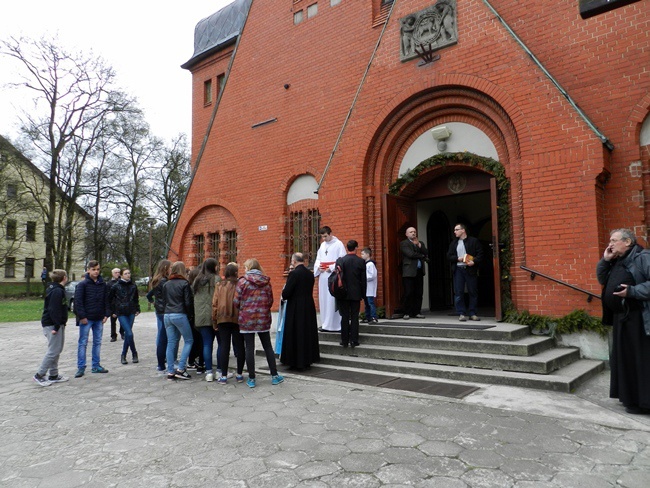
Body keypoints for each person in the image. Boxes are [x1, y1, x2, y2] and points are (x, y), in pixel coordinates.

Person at [597, 228, 650, 415]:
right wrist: (605, 260)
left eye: (614, 240)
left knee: (640, 360)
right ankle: (630, 399)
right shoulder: (617, 260)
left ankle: (644, 402)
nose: (610, 244)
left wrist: (632, 292)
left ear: (627, 242)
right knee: (625, 361)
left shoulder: (643, 257)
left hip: (639, 319)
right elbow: (601, 279)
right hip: (621, 318)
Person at [234, 258, 284, 388]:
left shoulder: (243, 282)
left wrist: (244, 309)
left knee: (249, 347)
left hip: (247, 318)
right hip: (263, 317)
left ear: (249, 268)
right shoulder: (266, 281)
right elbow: (270, 300)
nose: (244, 269)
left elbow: (236, 301)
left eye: (245, 267)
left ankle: (251, 378)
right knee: (267, 346)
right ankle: (274, 375)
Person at [280, 253, 320, 370]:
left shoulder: (294, 274)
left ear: (294, 261)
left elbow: (286, 292)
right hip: (308, 305)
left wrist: (285, 294)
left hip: (296, 307)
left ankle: (295, 361)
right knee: (307, 332)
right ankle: (308, 359)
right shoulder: (309, 274)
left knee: (295, 332)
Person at [74, 260, 110, 378]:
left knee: (97, 342)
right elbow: (78, 302)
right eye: (93, 269)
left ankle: (96, 365)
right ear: (88, 270)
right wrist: (82, 316)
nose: (96, 272)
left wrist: (106, 314)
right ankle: (81, 367)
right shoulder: (82, 285)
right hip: (87, 318)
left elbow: (106, 300)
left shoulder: (102, 284)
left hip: (99, 318)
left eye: (98, 269)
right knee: (83, 343)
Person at [33, 269, 69, 386]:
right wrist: (57, 325)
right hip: (52, 324)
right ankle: (39, 375)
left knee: (56, 349)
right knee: (53, 350)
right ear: (64, 278)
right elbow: (54, 310)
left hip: (56, 323)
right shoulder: (57, 291)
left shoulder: (55, 289)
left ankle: (53, 374)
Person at [212, 263, 245, 384]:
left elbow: (214, 304)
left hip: (222, 318)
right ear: (236, 273)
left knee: (224, 346)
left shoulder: (219, 285)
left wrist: (214, 321)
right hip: (238, 319)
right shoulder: (240, 285)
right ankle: (240, 374)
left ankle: (224, 376)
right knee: (240, 346)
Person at [192, 258, 223, 382]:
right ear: (214, 267)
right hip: (215, 316)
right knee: (221, 343)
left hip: (200, 317)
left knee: (206, 344)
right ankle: (220, 371)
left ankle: (209, 372)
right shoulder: (217, 280)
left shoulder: (196, 281)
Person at [163, 261, 195, 380]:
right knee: (189, 340)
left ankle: (170, 370)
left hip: (167, 315)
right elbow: (187, 302)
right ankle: (181, 368)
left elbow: (164, 300)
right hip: (180, 314)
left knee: (171, 342)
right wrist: (190, 315)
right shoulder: (184, 284)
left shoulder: (166, 284)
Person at [447, 223, 483, 321]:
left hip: (470, 269)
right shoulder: (454, 243)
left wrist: (474, 261)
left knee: (473, 291)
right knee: (458, 292)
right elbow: (449, 256)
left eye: (456, 229)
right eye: (454, 230)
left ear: (463, 230)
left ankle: (472, 313)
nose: (455, 232)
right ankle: (461, 313)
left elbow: (480, 254)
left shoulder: (473, 241)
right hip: (458, 269)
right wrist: (457, 258)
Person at [313, 226, 347, 332]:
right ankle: (325, 324)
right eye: (322, 237)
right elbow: (318, 259)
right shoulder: (322, 245)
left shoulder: (338, 244)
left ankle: (335, 325)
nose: (324, 239)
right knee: (324, 299)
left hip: (333, 276)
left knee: (332, 300)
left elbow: (342, 260)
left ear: (330, 234)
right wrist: (318, 267)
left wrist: (331, 268)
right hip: (323, 276)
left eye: (325, 236)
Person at [337, 240, 367, 348]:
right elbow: (363, 280)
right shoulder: (361, 262)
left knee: (344, 317)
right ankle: (354, 340)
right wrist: (363, 294)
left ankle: (344, 340)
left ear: (346, 248)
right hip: (356, 293)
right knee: (354, 317)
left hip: (343, 293)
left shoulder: (341, 260)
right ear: (356, 248)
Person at [108, 268, 140, 365]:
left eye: (129, 273)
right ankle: (133, 353)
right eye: (125, 273)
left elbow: (136, 298)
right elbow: (109, 299)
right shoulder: (115, 286)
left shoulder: (133, 286)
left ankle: (124, 356)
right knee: (129, 334)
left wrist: (137, 309)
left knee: (128, 334)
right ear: (121, 275)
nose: (128, 275)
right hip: (120, 312)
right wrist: (112, 311)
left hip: (131, 311)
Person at [147, 259, 172, 373]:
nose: (171, 269)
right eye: (170, 268)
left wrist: (154, 303)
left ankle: (161, 363)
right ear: (166, 268)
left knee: (162, 337)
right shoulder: (164, 281)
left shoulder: (157, 280)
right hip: (164, 311)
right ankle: (161, 364)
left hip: (159, 310)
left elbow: (151, 295)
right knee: (164, 338)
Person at [400, 227, 429, 320]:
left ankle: (417, 312)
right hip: (409, 271)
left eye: (414, 232)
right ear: (406, 234)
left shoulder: (420, 243)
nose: (413, 233)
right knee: (408, 292)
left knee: (419, 293)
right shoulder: (404, 243)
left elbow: (426, 252)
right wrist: (422, 256)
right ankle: (407, 312)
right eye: (411, 232)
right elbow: (410, 254)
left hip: (419, 271)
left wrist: (419, 245)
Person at [186, 266, 205, 373]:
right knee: (196, 340)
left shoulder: (191, 287)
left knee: (195, 340)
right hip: (194, 317)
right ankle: (192, 361)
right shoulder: (193, 288)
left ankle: (193, 360)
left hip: (193, 317)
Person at [361, 247, 379, 324]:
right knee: (367, 303)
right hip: (366, 287)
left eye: (363, 254)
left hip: (369, 286)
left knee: (370, 302)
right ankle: (368, 317)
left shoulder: (370, 264)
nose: (361, 255)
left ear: (368, 255)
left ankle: (374, 317)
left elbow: (372, 275)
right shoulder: (365, 264)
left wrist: (363, 278)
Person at [106, 268, 123, 342]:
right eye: (115, 272)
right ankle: (113, 335)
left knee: (122, 320)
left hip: (121, 305)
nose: (117, 274)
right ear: (112, 274)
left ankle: (122, 333)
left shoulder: (122, 282)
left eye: (119, 272)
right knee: (113, 322)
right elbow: (108, 296)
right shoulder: (109, 283)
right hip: (113, 305)